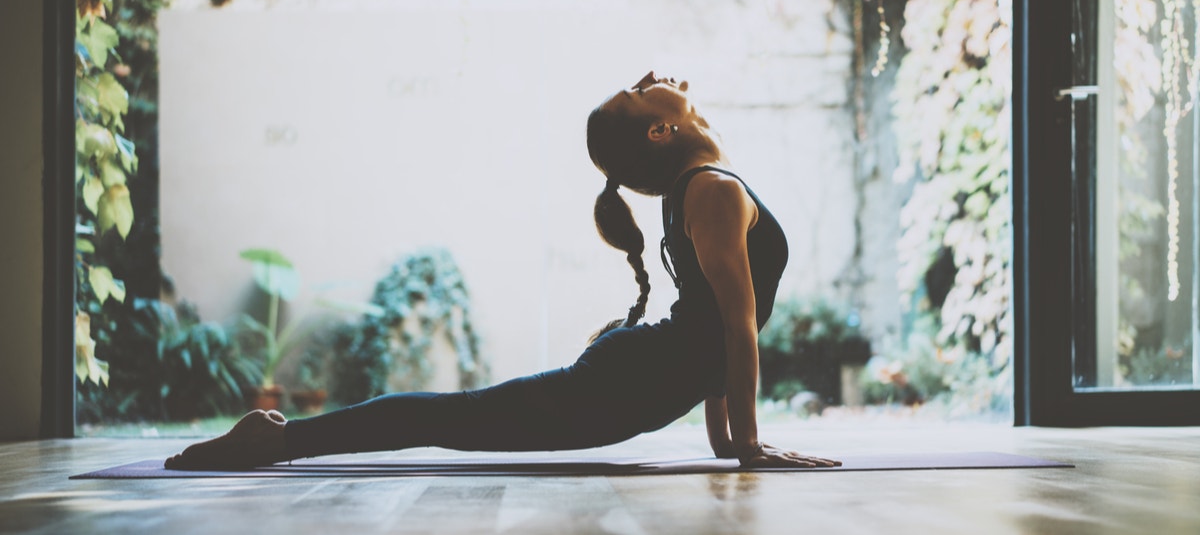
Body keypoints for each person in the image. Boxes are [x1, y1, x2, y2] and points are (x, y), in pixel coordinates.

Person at [165, 71, 840, 471]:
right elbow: (733, 324)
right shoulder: (712, 190)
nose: (660, 78)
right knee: (455, 416)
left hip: (639, 380)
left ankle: (279, 438)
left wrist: (727, 440)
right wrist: (746, 443)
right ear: (660, 130)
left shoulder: (700, 188)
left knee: (458, 417)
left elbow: (713, 331)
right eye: (642, 89)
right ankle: (278, 437)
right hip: (630, 382)